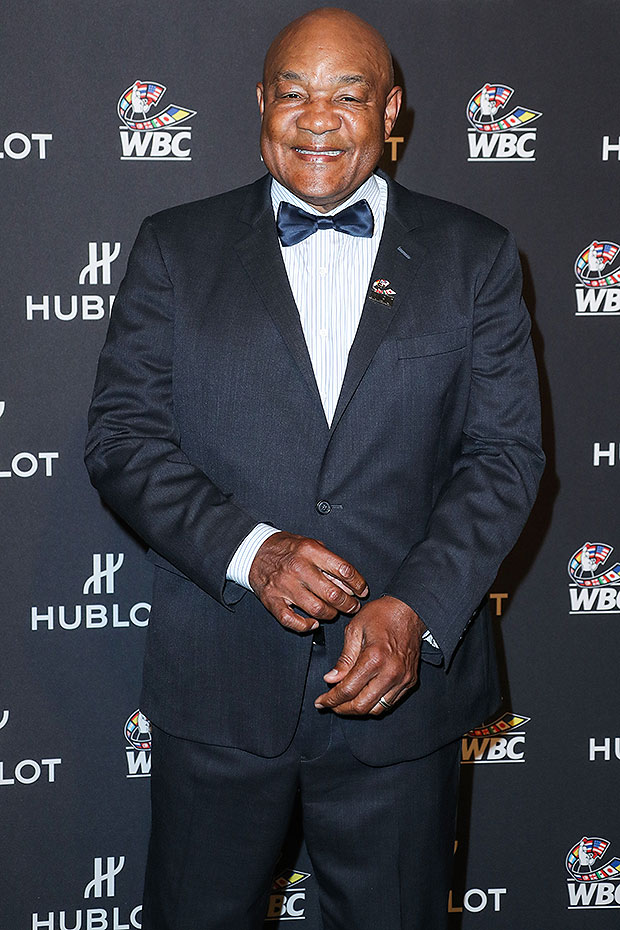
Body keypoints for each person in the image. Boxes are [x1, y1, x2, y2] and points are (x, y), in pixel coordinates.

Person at [85, 7, 544, 929]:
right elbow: (122, 437)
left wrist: (413, 607)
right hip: (219, 688)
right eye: (294, 93)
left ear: (391, 110)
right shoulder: (175, 246)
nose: (318, 119)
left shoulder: (476, 255)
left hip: (402, 698)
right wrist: (251, 550)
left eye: (349, 95)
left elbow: (504, 456)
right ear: (261, 102)